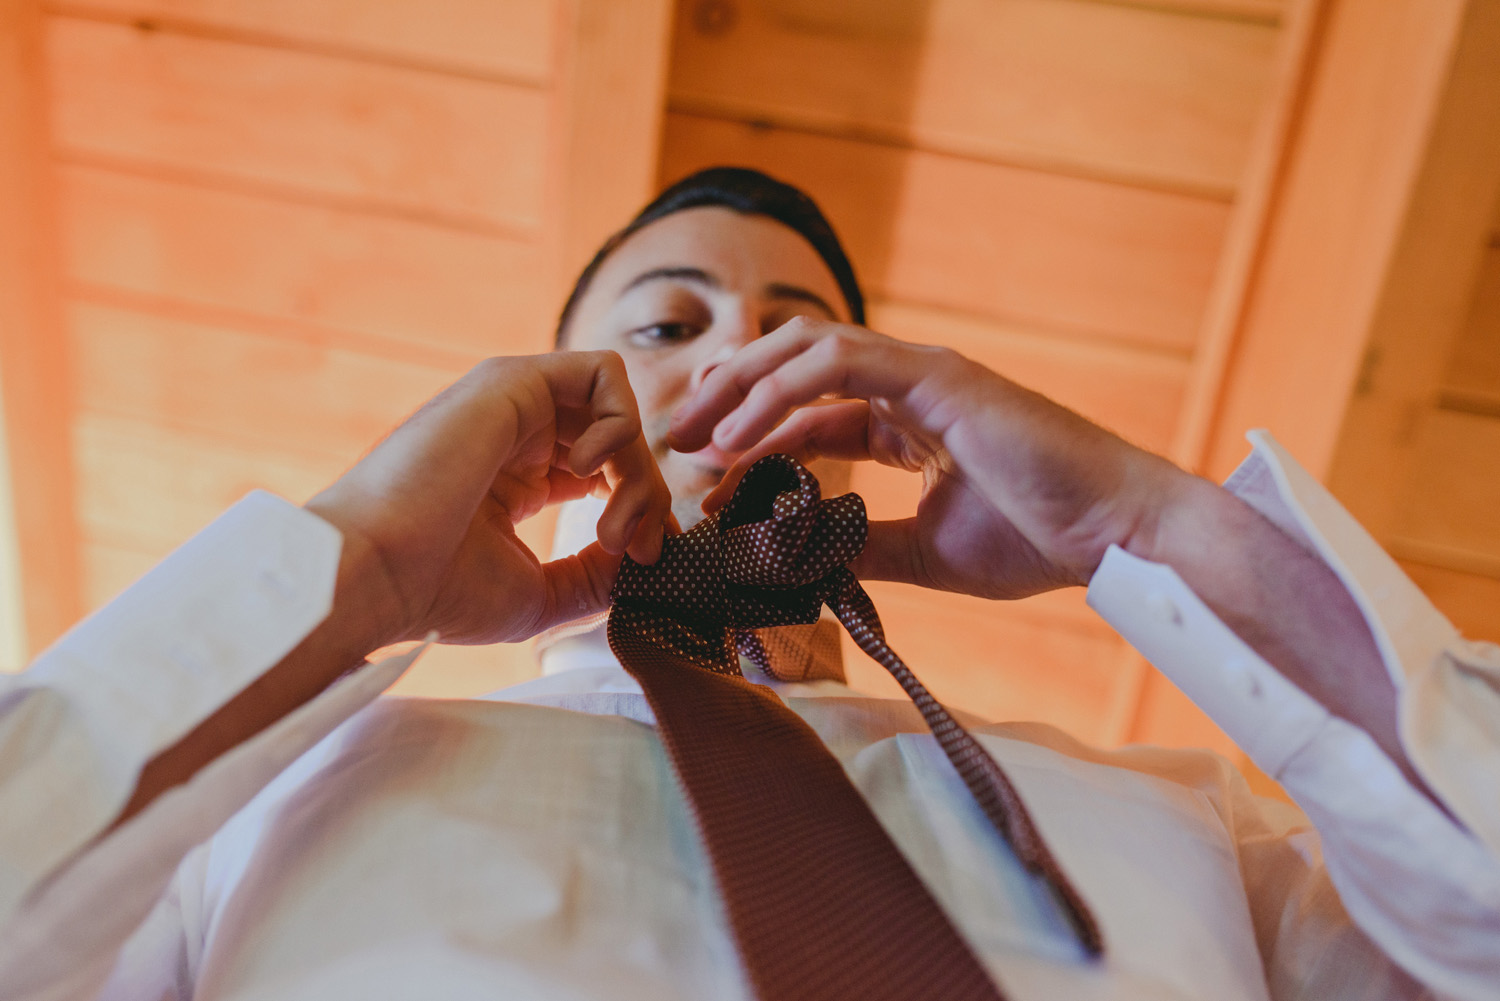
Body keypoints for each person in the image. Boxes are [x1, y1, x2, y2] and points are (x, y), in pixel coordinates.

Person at [0, 168, 1496, 1001]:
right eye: (665, 324)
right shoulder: (255, 811)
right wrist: (363, 569)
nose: (734, 357)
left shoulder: (1205, 838)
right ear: (561, 418)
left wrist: (1148, 523)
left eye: (800, 324)